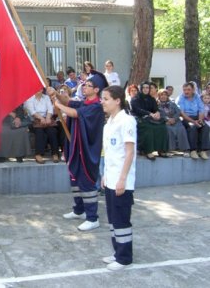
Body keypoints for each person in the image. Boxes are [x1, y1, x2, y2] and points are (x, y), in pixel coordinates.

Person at [47, 70, 108, 231]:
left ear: (96, 90)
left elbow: (74, 113)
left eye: (88, 85)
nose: (84, 87)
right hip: (76, 147)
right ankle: (79, 210)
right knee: (74, 178)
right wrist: (56, 94)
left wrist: (57, 105)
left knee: (86, 181)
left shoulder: (96, 106)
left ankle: (92, 217)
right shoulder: (84, 102)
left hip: (87, 150)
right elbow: (68, 101)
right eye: (85, 84)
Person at [100, 85, 136, 271]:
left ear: (117, 100)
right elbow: (109, 154)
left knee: (122, 219)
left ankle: (124, 258)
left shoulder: (127, 121)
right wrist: (105, 175)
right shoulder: (109, 123)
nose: (102, 102)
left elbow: (129, 153)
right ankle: (117, 252)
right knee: (113, 219)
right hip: (111, 178)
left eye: (106, 99)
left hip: (123, 180)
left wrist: (122, 179)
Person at [131, 81, 169, 160]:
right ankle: (147, 151)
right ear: (141, 89)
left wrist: (157, 113)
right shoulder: (135, 98)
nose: (145, 89)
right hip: (139, 118)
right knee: (148, 127)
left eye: (147, 88)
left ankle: (161, 150)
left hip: (151, 118)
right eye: (144, 88)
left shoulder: (151, 99)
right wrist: (150, 114)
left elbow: (155, 109)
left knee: (162, 127)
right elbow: (137, 110)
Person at [25, 89, 60, 164]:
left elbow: (50, 109)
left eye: (40, 88)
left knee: (52, 131)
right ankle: (38, 154)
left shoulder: (46, 97)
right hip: (34, 121)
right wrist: (41, 119)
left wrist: (47, 118)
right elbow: (32, 112)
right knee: (39, 132)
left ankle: (55, 153)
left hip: (47, 120)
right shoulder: (29, 98)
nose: (39, 89)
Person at [177, 82, 209, 160]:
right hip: (186, 118)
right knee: (193, 127)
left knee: (206, 127)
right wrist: (194, 122)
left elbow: (201, 109)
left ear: (193, 90)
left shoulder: (197, 97)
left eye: (188, 89)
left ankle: (202, 150)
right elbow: (182, 113)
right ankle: (193, 150)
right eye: (184, 90)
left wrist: (200, 120)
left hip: (197, 117)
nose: (186, 92)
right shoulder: (181, 98)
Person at [157, 89, 190, 155]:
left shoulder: (172, 103)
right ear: (159, 96)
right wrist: (167, 119)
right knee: (168, 129)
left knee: (181, 129)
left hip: (176, 121)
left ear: (167, 96)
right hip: (165, 122)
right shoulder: (157, 105)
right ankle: (170, 149)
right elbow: (159, 114)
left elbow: (178, 111)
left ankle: (185, 149)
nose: (163, 96)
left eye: (165, 95)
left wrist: (174, 119)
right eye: (162, 95)